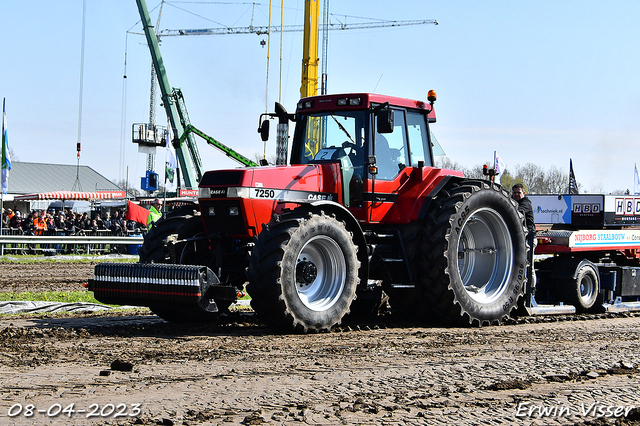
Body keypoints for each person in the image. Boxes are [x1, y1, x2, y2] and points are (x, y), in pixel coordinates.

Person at [512, 183, 537, 291]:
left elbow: (518, 212)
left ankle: (531, 290)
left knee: (528, 266)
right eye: (514, 193)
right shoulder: (513, 202)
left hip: (529, 240)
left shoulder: (525, 203)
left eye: (519, 192)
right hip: (520, 240)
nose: (516, 194)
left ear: (524, 193)